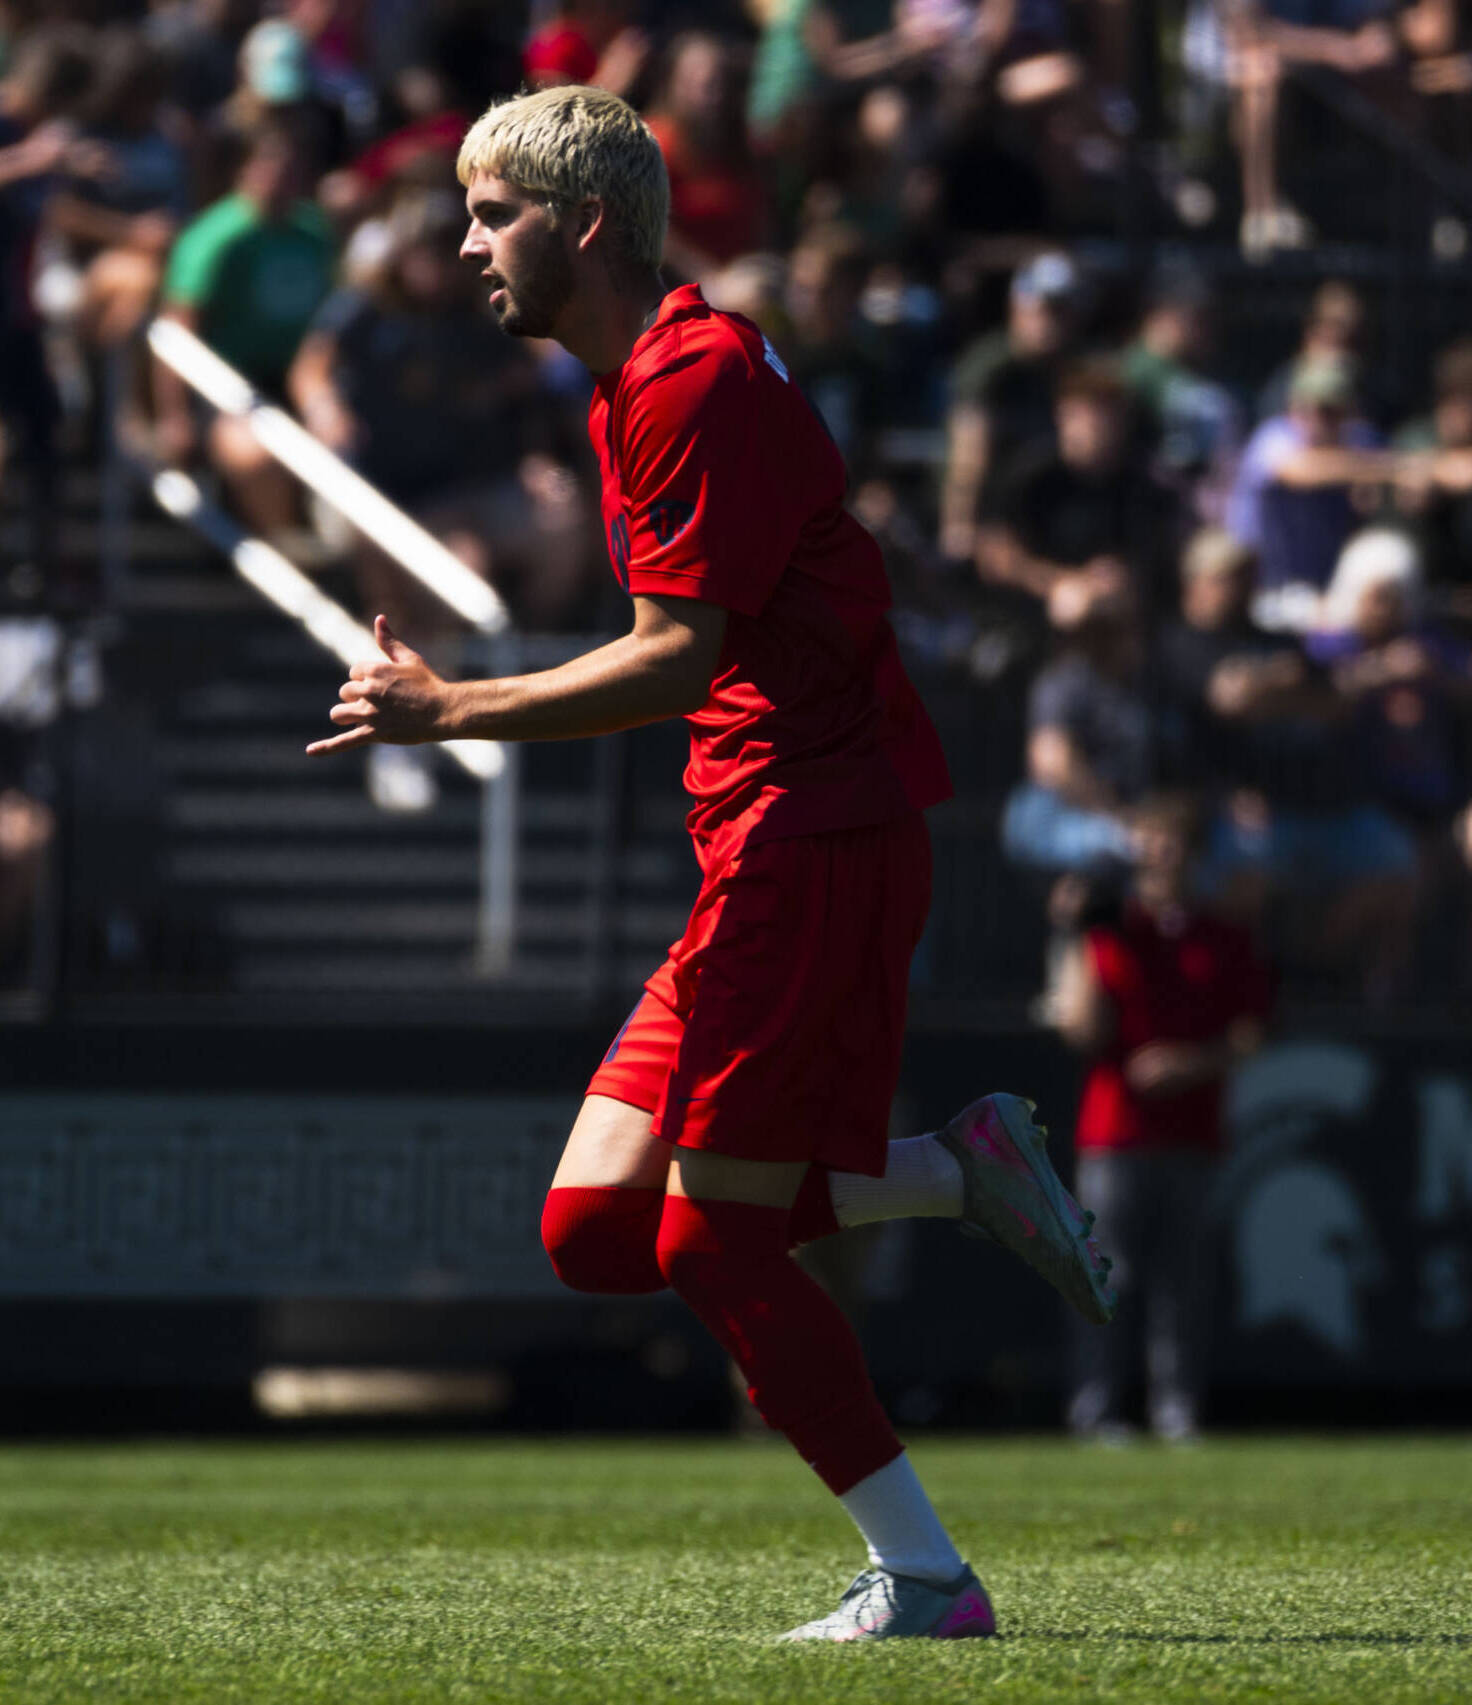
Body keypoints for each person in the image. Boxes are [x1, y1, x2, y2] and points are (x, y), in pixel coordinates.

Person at [306, 84, 1115, 1643]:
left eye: (495, 213)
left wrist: (452, 706)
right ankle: (959, 1172)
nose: (466, 242)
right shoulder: (643, 382)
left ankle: (931, 1581)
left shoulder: (691, 381)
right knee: (594, 1231)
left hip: (812, 837)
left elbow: (677, 657)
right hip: (758, 840)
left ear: (585, 223)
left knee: (710, 1239)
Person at [1051, 792, 1272, 1442]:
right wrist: (1074, 933)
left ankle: (1176, 1410)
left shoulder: (1224, 935)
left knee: (1185, 1283)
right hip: (1115, 1131)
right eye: (1148, 841)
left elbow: (1251, 1031)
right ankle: (1097, 1409)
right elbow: (1081, 1028)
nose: (1159, 855)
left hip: (1193, 1131)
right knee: (1103, 1273)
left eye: (1171, 842)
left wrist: (1193, 1063)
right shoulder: (1110, 931)